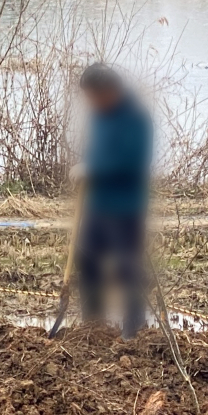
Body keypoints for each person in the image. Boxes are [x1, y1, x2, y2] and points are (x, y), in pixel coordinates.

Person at [69, 63, 154, 339]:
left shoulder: (137, 118)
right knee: (87, 259)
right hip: (97, 206)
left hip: (126, 207)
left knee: (127, 269)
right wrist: (87, 167)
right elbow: (96, 152)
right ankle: (93, 325)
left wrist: (95, 170)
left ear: (109, 91)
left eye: (93, 96)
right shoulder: (98, 116)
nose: (90, 103)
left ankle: (134, 331)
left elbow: (132, 161)